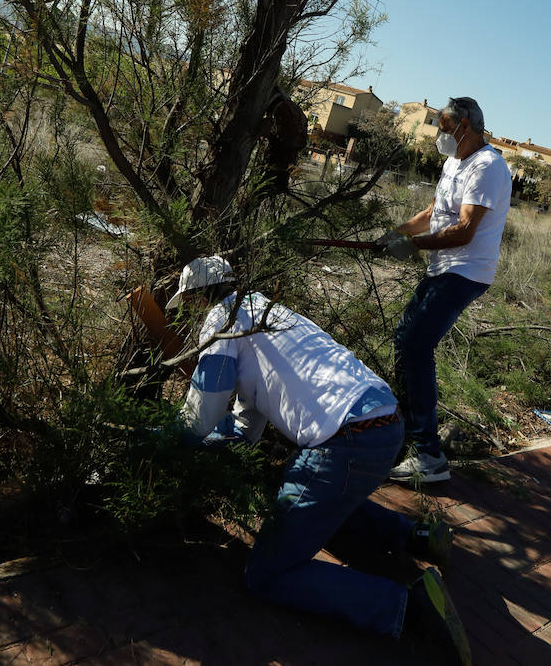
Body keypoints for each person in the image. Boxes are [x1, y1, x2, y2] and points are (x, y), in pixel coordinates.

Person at [167, 257, 471, 663]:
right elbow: (246, 427)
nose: (188, 313)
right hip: (385, 424)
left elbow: (199, 418)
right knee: (318, 502)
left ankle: (409, 607)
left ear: (198, 297)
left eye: (187, 304)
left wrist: (163, 443)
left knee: (266, 574)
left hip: (345, 442)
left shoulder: (223, 322)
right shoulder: (268, 312)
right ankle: (414, 537)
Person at [377, 97, 511, 484]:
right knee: (405, 339)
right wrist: (399, 233)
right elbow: (435, 213)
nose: (440, 134)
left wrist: (414, 246)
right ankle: (412, 435)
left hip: (467, 271)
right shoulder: (454, 162)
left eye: (443, 125)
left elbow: (466, 229)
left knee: (416, 344)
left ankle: (429, 456)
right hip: (444, 267)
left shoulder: (489, 166)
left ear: (464, 126)